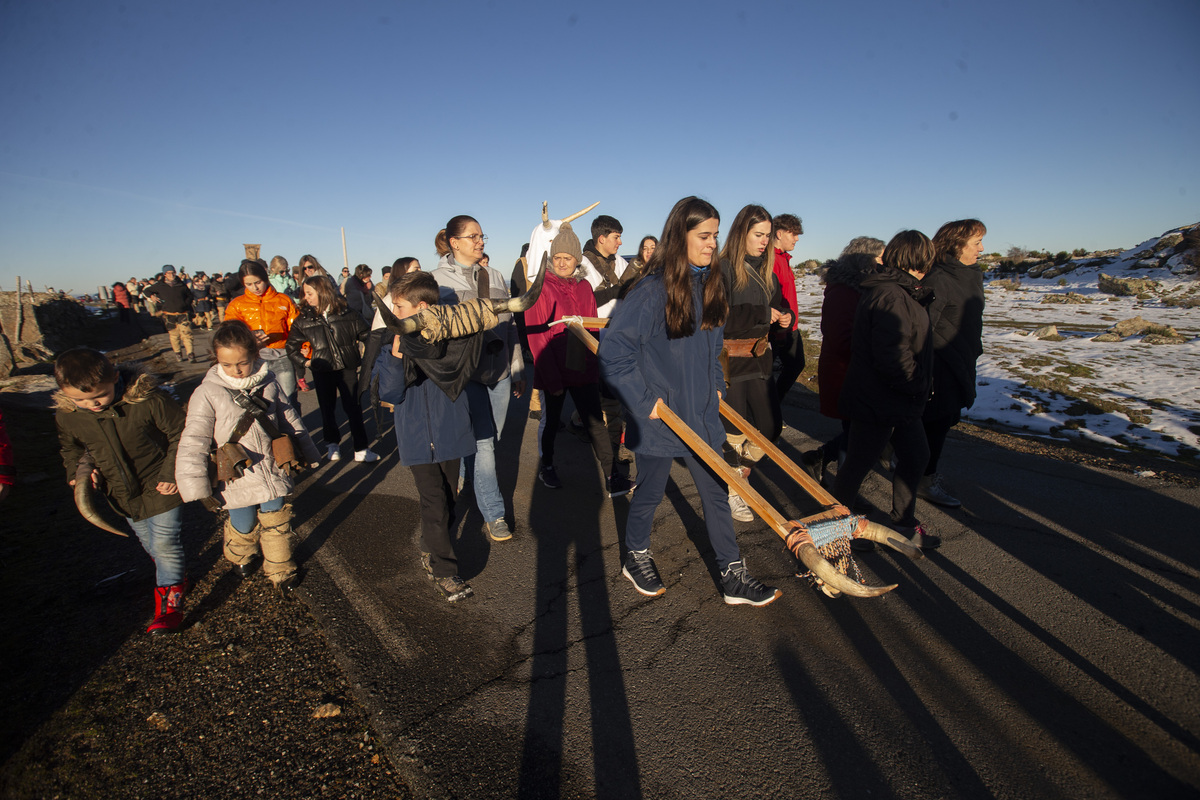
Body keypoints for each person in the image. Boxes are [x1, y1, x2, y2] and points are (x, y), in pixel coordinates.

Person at [599, 196, 781, 607]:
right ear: (679, 236)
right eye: (704, 235)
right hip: (661, 415)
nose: (712, 243)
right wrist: (644, 401)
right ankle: (636, 555)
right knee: (650, 491)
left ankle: (734, 575)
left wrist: (717, 384)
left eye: (715, 235)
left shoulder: (709, 284)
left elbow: (715, 343)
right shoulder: (650, 292)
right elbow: (614, 353)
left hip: (700, 411)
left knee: (717, 489)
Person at [175, 321, 320, 595]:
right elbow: (194, 438)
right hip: (236, 473)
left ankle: (281, 568)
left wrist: (309, 453)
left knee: (276, 519)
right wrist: (193, 484)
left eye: (242, 362)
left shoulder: (269, 382)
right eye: (227, 364)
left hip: (272, 465)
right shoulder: (206, 393)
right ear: (216, 360)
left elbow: (290, 420)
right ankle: (241, 555)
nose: (236, 370)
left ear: (255, 355)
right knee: (244, 522)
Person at [54, 347, 188, 634]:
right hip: (120, 493)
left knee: (165, 544)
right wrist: (76, 473)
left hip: (163, 484)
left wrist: (171, 472)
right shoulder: (69, 415)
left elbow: (183, 433)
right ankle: (173, 575)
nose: (92, 405)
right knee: (150, 544)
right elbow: (71, 447)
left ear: (115, 378)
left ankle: (169, 608)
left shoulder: (148, 400)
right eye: (80, 399)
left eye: (99, 396)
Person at [831, 230, 941, 550]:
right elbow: (892, 355)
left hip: (899, 398)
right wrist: (919, 383)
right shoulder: (891, 295)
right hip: (879, 398)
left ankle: (903, 523)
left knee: (917, 455)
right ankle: (839, 531)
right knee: (857, 465)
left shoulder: (903, 291)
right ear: (920, 258)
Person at [377, 271, 479, 601]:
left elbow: (468, 368)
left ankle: (430, 547)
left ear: (421, 307)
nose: (393, 312)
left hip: (450, 433)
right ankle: (445, 571)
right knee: (434, 501)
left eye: (399, 306)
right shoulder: (391, 343)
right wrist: (394, 359)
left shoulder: (451, 341)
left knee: (448, 499)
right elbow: (390, 394)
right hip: (417, 438)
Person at [431, 215, 524, 543]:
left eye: (481, 236)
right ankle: (494, 513)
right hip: (464, 374)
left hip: (497, 371)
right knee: (484, 444)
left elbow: (511, 326)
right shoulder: (436, 282)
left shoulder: (495, 275)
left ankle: (468, 474)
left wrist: (517, 369)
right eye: (472, 236)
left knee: (492, 437)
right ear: (454, 243)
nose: (480, 241)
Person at [525, 222, 633, 497]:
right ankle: (546, 465)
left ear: (576, 260)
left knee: (595, 421)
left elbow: (592, 328)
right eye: (557, 258)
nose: (562, 263)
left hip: (582, 366)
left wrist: (595, 366)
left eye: (568, 258)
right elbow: (536, 335)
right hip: (554, 367)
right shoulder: (542, 287)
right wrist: (550, 378)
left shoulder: (584, 286)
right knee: (550, 422)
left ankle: (611, 476)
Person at [717, 205, 791, 522]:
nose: (764, 242)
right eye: (758, 235)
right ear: (741, 234)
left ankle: (735, 470)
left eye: (766, 236)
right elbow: (719, 319)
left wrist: (783, 314)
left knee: (771, 428)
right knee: (734, 431)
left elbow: (775, 304)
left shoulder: (766, 271)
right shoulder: (722, 270)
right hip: (731, 362)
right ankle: (734, 490)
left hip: (760, 360)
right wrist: (763, 315)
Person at [804, 237, 886, 483]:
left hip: (858, 371)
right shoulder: (843, 289)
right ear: (865, 258)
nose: (885, 263)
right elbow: (841, 337)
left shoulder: (863, 287)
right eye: (880, 258)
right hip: (846, 372)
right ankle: (844, 489)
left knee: (861, 431)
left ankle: (823, 459)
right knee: (857, 431)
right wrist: (875, 352)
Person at [919, 219, 987, 509]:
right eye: (976, 243)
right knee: (935, 422)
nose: (982, 249)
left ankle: (912, 466)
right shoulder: (939, 278)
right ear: (956, 244)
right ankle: (923, 480)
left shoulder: (970, 275)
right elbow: (923, 327)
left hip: (961, 358)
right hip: (941, 364)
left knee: (943, 420)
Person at [286, 275, 377, 462]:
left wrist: (366, 358)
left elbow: (368, 335)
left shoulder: (348, 313)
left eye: (310, 293)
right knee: (327, 409)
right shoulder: (303, 319)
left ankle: (361, 448)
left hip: (348, 368)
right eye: (305, 293)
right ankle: (332, 444)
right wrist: (307, 363)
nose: (306, 297)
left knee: (354, 408)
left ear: (323, 291)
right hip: (322, 370)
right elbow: (291, 347)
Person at [224, 259, 302, 401]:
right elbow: (230, 334)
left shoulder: (283, 300)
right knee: (260, 401)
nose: (255, 288)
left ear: (265, 278)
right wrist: (249, 339)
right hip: (253, 358)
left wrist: (304, 348)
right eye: (249, 284)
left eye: (258, 282)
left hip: (282, 355)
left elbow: (297, 329)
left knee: (288, 398)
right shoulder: (237, 305)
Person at [770, 213, 806, 398]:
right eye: (793, 233)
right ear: (779, 233)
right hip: (778, 327)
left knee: (796, 365)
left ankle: (774, 405)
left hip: (791, 326)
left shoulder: (784, 258)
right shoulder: (771, 260)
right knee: (766, 374)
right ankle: (769, 411)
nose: (797, 238)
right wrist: (779, 330)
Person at [143, 265, 196, 362]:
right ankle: (178, 353)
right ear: (165, 274)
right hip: (169, 315)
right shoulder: (160, 285)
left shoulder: (181, 284)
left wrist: (185, 303)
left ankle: (190, 354)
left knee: (187, 334)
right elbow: (146, 291)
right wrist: (152, 296)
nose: (171, 275)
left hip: (183, 313)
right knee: (174, 336)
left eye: (173, 272)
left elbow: (190, 295)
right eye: (169, 273)